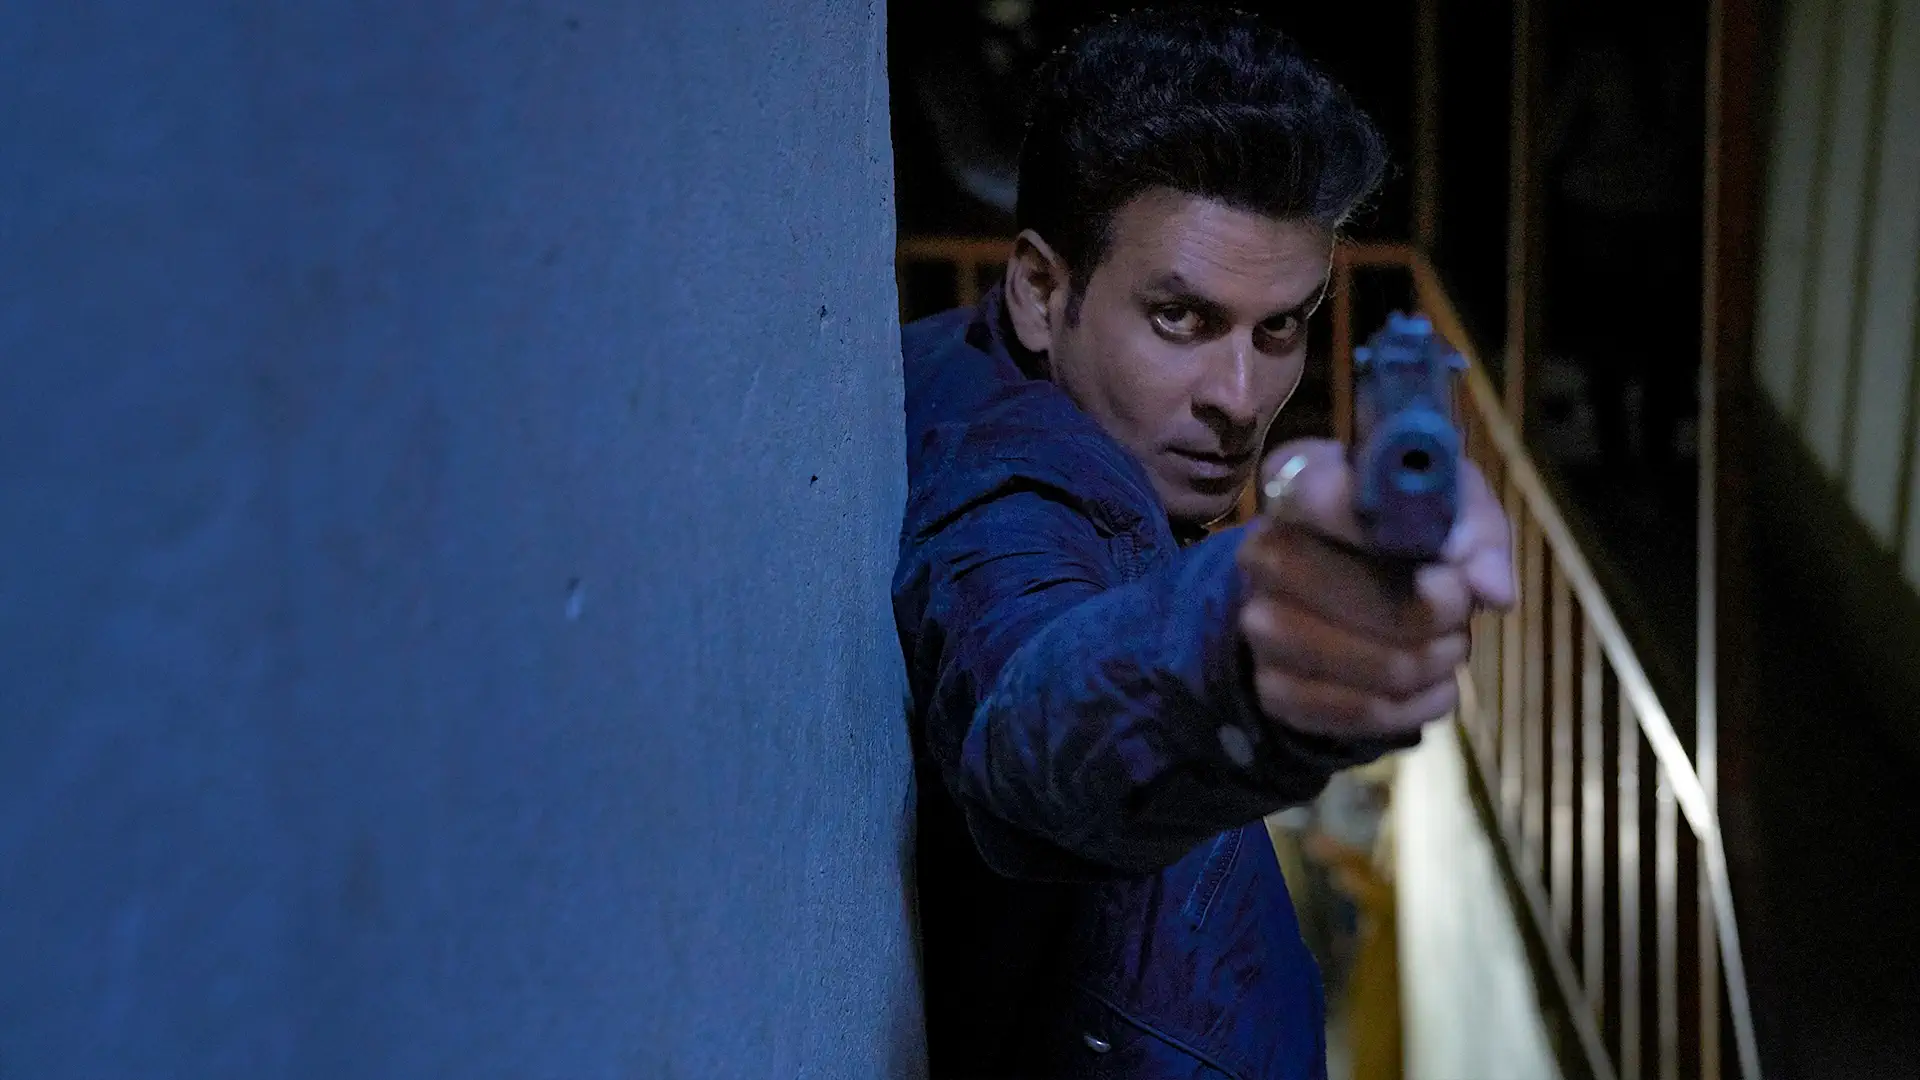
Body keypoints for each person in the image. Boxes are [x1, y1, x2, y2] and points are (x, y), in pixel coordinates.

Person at [893, 9, 1515, 1078]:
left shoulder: (959, 360)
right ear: (1041, 292)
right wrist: (1235, 658)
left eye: (1280, 327)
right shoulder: (1022, 484)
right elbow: (1022, 722)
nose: (1240, 397)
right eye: (1180, 318)